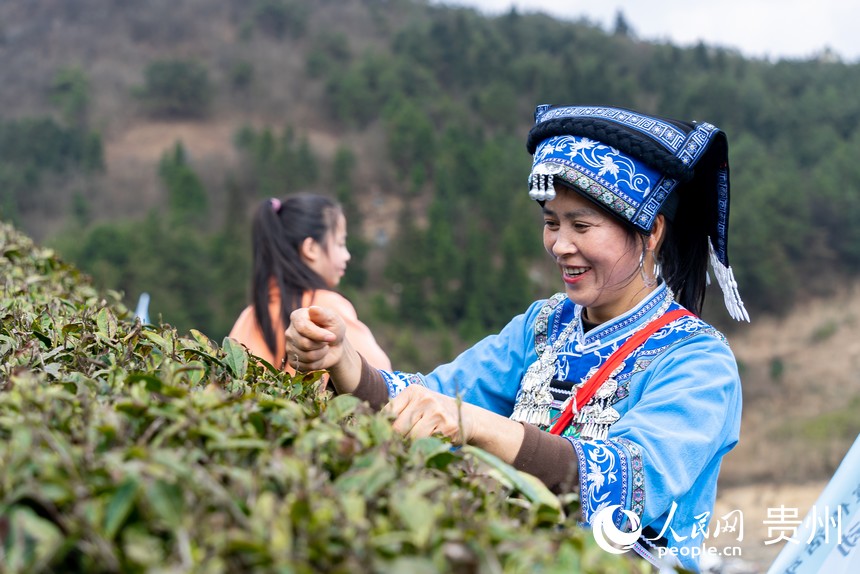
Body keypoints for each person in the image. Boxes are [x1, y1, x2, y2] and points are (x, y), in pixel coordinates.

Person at [284, 105, 747, 571]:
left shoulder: (698, 360)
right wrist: (342, 359)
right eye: (551, 222)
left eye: (581, 225)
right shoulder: (542, 325)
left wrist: (478, 425)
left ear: (651, 233)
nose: (560, 245)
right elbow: (436, 395)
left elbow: (627, 482)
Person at [229, 192, 391, 374]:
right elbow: (381, 380)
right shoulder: (325, 308)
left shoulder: (249, 316)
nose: (347, 255)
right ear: (311, 248)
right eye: (340, 243)